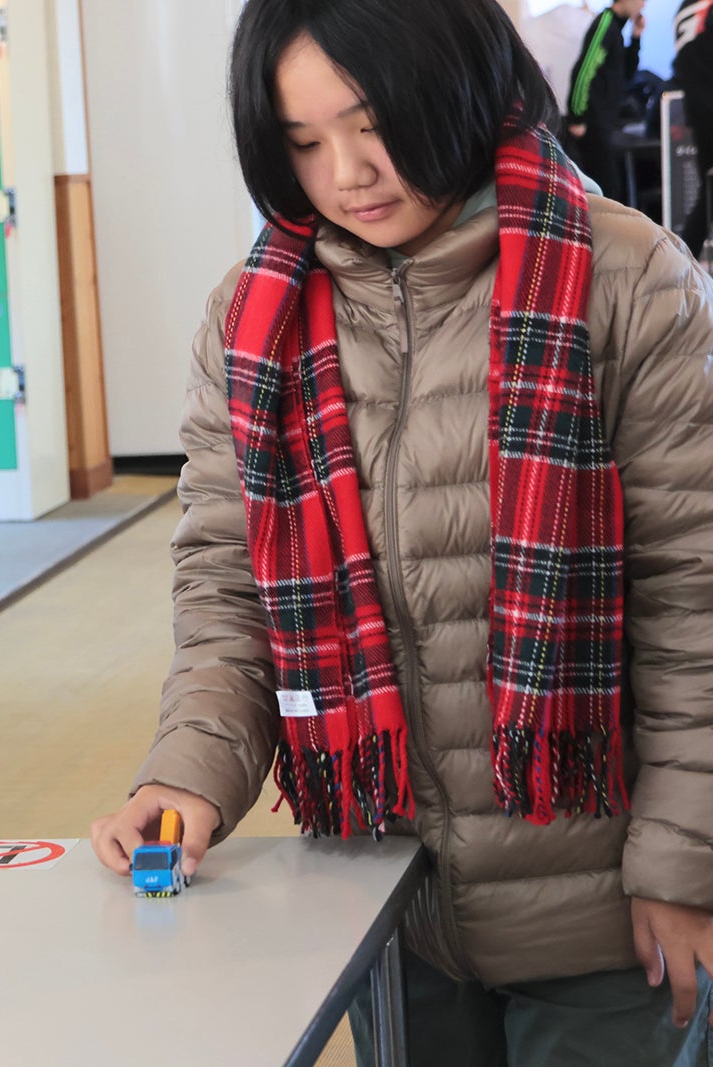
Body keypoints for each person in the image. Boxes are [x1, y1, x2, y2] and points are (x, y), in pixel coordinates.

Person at [90, 0, 713, 1063]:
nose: (345, 172)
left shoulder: (625, 278)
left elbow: (692, 598)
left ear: (458, 85)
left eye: (370, 122)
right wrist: (188, 769)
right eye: (300, 143)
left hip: (606, 911)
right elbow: (228, 587)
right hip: (381, 898)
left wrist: (686, 865)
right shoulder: (250, 318)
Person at [566, 0, 646, 202]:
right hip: (592, 124)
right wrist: (576, 117)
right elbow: (583, 71)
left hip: (606, 123)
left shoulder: (617, 30)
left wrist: (636, 36)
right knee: (605, 192)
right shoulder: (605, 24)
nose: (643, 6)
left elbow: (626, 74)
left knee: (611, 190)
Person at [676, 0, 713, 257]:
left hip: (703, 128)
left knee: (708, 195)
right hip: (707, 126)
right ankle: (682, 257)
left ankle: (682, 258)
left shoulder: (690, 52)